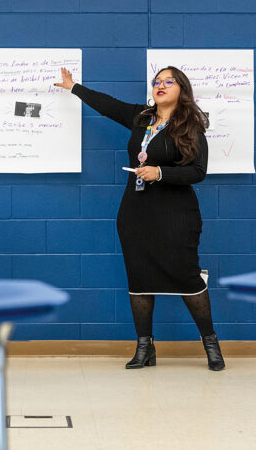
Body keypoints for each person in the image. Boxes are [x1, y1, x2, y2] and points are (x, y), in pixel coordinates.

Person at [54, 66, 225, 371]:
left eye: (168, 82)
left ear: (181, 89)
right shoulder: (142, 118)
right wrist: (73, 87)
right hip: (136, 211)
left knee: (187, 277)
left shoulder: (190, 126)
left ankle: (211, 344)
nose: (160, 85)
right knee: (139, 279)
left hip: (176, 214)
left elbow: (198, 172)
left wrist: (160, 172)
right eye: (157, 82)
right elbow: (109, 106)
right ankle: (145, 348)